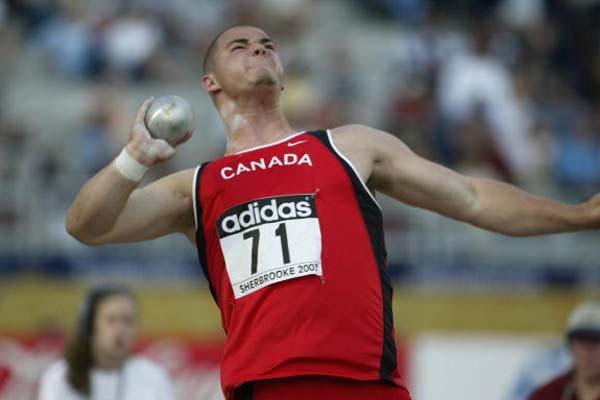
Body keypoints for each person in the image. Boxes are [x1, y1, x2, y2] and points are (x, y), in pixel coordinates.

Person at [65, 25, 600, 400]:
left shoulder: (350, 146)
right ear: (211, 82)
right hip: (266, 388)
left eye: (268, 45)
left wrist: (578, 215)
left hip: (368, 385)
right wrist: (134, 158)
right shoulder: (198, 186)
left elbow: (472, 198)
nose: (259, 49)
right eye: (240, 46)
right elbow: (86, 226)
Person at [38, 284, 174, 400]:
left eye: (128, 320)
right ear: (90, 326)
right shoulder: (60, 378)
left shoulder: (154, 377)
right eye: (111, 320)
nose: (120, 330)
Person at [528, 301, 600, 400]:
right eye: (581, 340)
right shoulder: (546, 395)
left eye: (596, 340)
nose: (588, 350)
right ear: (570, 345)